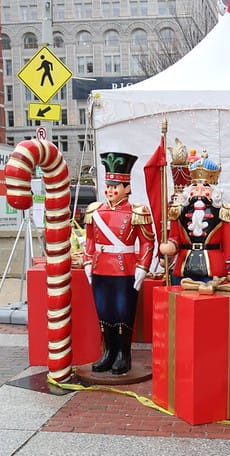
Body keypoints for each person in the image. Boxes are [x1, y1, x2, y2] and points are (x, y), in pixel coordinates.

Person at [82, 152, 155, 375]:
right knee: (104, 312)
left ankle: (124, 354)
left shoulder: (137, 212)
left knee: (124, 313)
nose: (111, 189)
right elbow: (90, 241)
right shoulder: (95, 211)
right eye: (109, 185)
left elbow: (147, 243)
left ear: (127, 188)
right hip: (100, 268)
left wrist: (143, 268)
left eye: (117, 185)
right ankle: (109, 352)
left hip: (126, 270)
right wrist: (87, 262)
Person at [159, 152, 230, 284]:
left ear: (214, 190)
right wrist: (170, 246)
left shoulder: (225, 211)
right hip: (184, 264)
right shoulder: (178, 210)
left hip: (212, 267)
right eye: (195, 187)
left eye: (205, 187)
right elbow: (175, 237)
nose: (200, 191)